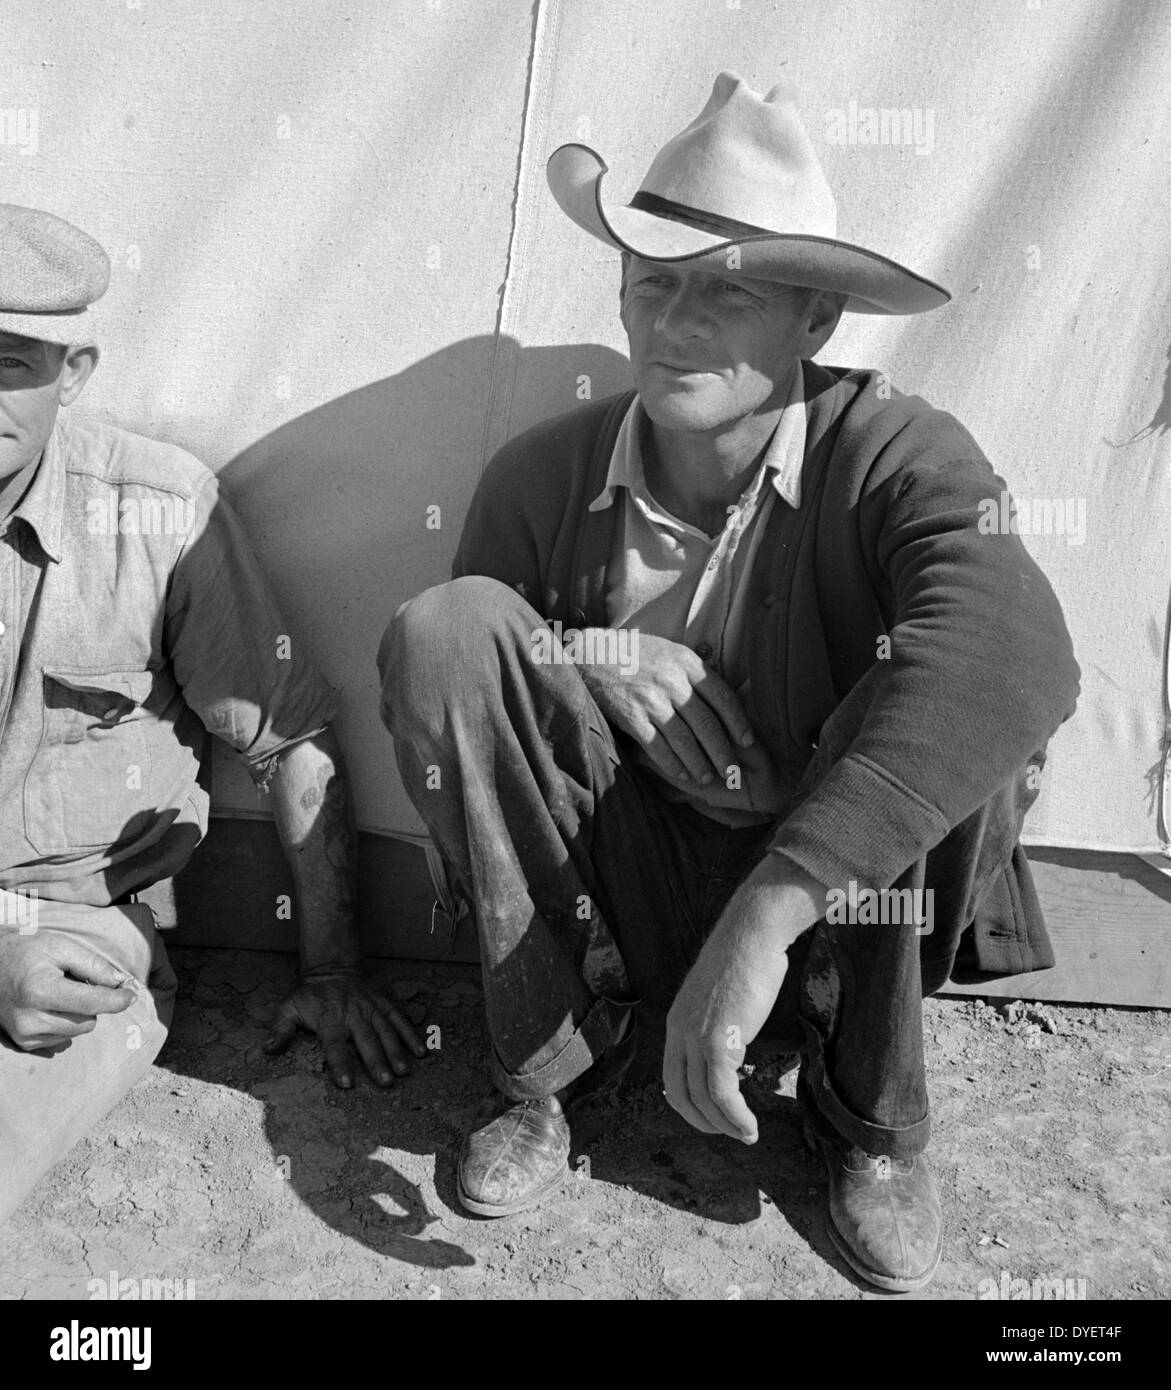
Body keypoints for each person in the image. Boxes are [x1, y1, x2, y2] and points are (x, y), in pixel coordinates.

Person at [378, 73, 1080, 1291]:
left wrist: (767, 918)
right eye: (653, 283)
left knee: (949, 706)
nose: (676, 322)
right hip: (622, 894)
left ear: (813, 324)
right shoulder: (540, 477)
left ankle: (866, 1119)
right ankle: (550, 1070)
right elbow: (467, 672)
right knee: (441, 628)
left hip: (832, 929)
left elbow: (1017, 649)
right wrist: (594, 653)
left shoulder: (897, 451)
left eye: (729, 291)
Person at [0, 202, 424, 1225]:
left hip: (69, 923)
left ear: (74, 372)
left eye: (10, 355)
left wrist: (331, 970)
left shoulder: (157, 511)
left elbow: (289, 741)